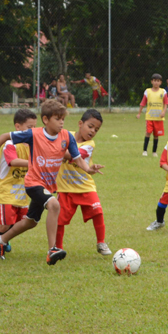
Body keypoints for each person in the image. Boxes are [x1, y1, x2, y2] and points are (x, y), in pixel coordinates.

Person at [0, 99, 104, 265]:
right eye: (57, 119)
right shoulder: (34, 134)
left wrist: (89, 169)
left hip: (47, 186)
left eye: (63, 119)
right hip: (33, 182)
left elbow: (77, 159)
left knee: (30, 222)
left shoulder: (67, 136)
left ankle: (0, 240)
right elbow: (5, 136)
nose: (61, 122)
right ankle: (52, 249)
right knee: (54, 205)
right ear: (46, 120)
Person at [0, 108, 37, 259]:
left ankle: (4, 240)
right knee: (4, 224)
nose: (33, 131)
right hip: (7, 190)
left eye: (35, 127)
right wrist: (35, 163)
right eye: (29, 127)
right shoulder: (11, 143)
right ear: (18, 127)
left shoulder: (31, 145)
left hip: (22, 191)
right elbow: (13, 161)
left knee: (21, 223)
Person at [56, 109, 111, 255]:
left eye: (96, 129)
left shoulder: (90, 144)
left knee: (98, 212)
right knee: (59, 220)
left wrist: (55, 150)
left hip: (85, 186)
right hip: (64, 188)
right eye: (90, 126)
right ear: (80, 123)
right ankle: (57, 247)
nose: (93, 131)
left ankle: (101, 243)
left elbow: (74, 156)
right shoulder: (65, 136)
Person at [136, 74, 168, 157]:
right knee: (148, 133)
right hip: (149, 117)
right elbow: (143, 103)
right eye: (154, 81)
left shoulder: (163, 92)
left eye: (158, 81)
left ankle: (154, 152)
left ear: (160, 82)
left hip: (159, 118)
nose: (156, 82)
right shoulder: (147, 91)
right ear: (152, 81)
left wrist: (164, 112)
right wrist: (139, 113)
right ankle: (145, 151)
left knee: (156, 135)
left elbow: (166, 103)